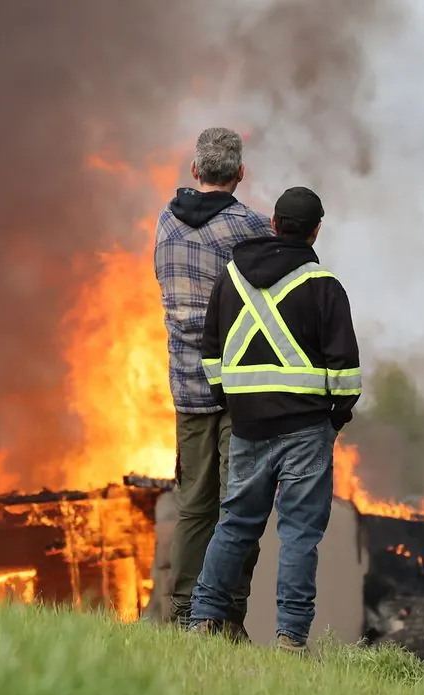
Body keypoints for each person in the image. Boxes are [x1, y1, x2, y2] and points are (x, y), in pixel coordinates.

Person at [188, 186, 362, 654]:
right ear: (316, 230)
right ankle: (290, 636)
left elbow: (210, 351)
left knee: (236, 523)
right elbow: (346, 374)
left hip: (247, 425)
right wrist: (334, 419)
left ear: (273, 223)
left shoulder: (231, 278)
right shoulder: (324, 284)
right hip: (306, 428)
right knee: (300, 533)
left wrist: (232, 401)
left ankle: (202, 619)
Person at [152, 127, 274, 634]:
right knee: (237, 507)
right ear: (240, 174)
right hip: (236, 389)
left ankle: (182, 612)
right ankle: (224, 616)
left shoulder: (164, 225)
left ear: (195, 171)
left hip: (186, 387)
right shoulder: (247, 228)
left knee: (193, 507)